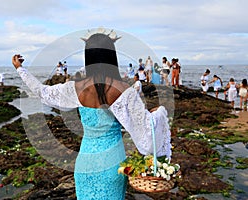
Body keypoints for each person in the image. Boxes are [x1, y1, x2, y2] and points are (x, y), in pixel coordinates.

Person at [12, 31, 171, 199]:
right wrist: (159, 113)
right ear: (112, 57)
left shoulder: (75, 87)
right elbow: (146, 131)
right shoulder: (123, 90)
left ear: (87, 57)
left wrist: (20, 69)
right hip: (112, 163)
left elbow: (42, 92)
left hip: (85, 162)